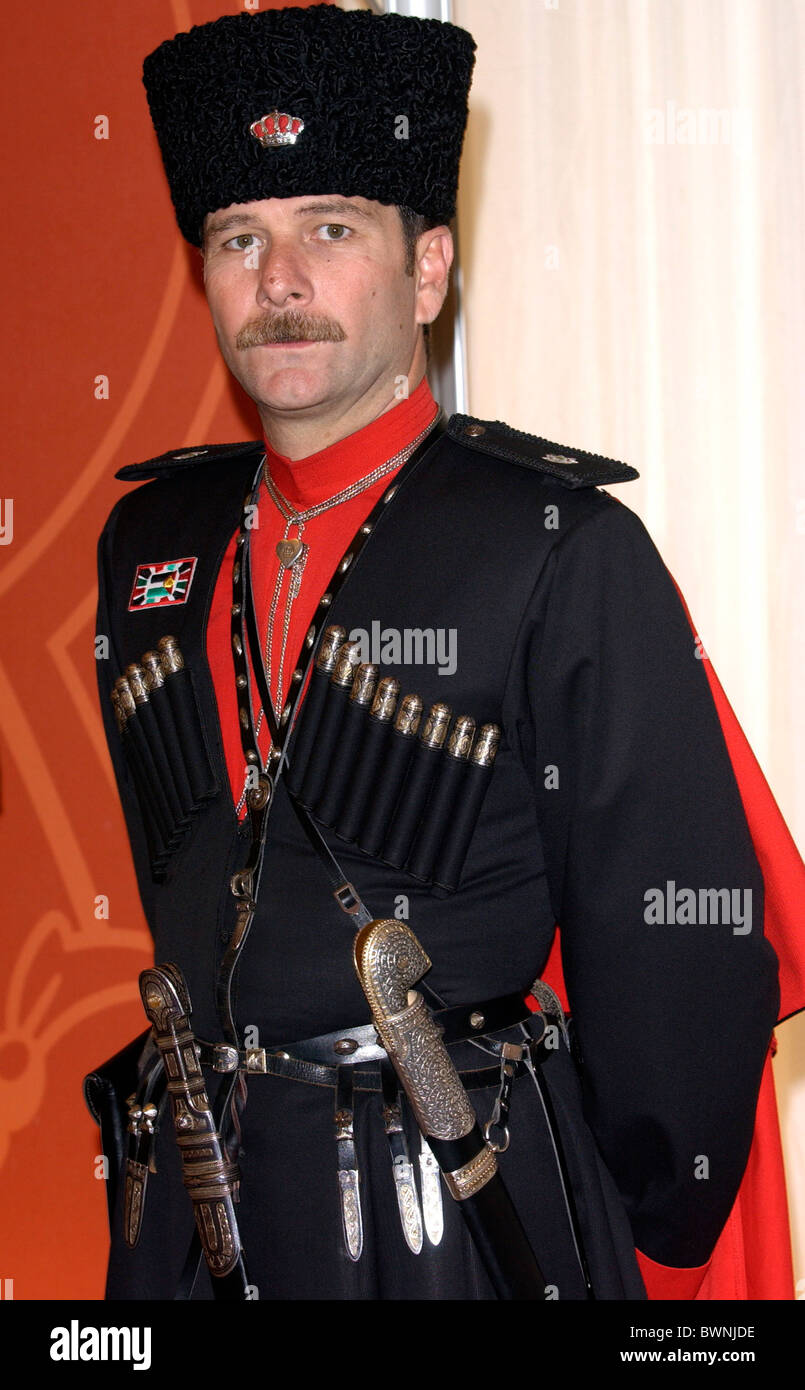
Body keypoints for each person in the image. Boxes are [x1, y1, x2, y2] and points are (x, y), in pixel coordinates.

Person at [87, 4, 798, 1301]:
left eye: (331, 230)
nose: (279, 278)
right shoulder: (150, 538)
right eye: (240, 237)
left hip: (462, 1219)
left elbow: (678, 951)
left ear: (426, 271)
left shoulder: (553, 541)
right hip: (190, 1219)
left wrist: (616, 1224)